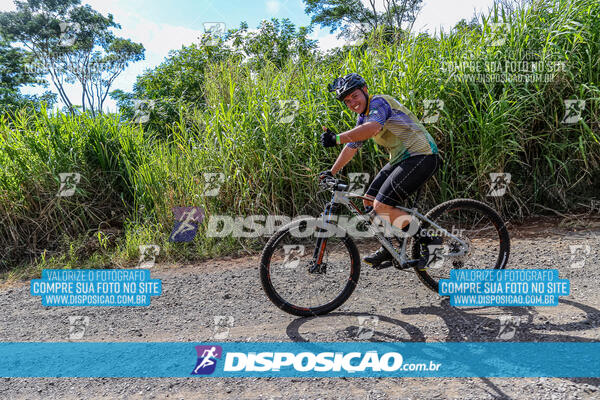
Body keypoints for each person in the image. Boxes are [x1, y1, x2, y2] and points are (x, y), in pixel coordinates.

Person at [320, 73, 442, 267]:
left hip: (422, 155)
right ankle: (390, 246)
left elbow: (373, 128)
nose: (352, 103)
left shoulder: (378, 103)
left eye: (355, 96)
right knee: (369, 201)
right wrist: (332, 172)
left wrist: (336, 138)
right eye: (347, 101)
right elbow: (352, 146)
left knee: (382, 206)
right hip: (402, 159)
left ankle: (430, 241)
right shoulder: (363, 117)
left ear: (365, 91)